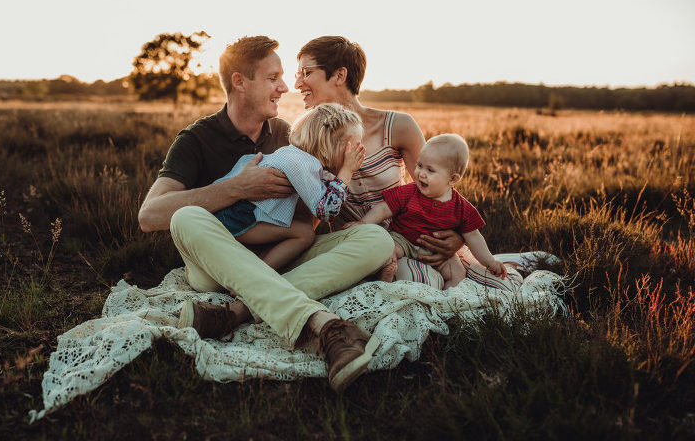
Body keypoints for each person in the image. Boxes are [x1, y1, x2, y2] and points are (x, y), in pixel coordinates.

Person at [138, 36, 393, 393]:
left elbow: (307, 220)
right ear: (240, 81)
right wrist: (238, 188)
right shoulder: (196, 139)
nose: (285, 87)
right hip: (219, 263)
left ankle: (236, 313)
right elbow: (149, 217)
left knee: (376, 239)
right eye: (274, 78)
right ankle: (324, 325)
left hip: (278, 255)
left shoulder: (288, 135)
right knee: (185, 217)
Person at [294, 35, 523, 290]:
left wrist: (457, 238)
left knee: (492, 285)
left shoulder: (397, 126)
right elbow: (311, 217)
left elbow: (437, 189)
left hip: (408, 240)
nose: (297, 83)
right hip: (353, 245)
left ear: (339, 75)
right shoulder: (306, 138)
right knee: (416, 284)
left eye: (306, 72)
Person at [212, 103, 365, 270]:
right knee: (304, 234)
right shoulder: (302, 163)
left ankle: (259, 266)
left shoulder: (299, 157)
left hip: (236, 215)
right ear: (331, 145)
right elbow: (327, 211)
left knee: (301, 226)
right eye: (353, 147)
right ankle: (256, 277)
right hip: (237, 217)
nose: (357, 153)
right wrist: (347, 171)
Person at [346, 134, 508, 289]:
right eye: (420, 165)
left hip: (437, 251)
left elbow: (474, 237)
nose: (421, 173)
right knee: (387, 250)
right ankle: (385, 278)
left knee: (458, 272)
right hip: (403, 240)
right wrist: (363, 223)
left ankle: (446, 298)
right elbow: (382, 209)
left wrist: (490, 262)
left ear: (452, 179)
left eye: (430, 170)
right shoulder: (409, 192)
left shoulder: (461, 208)